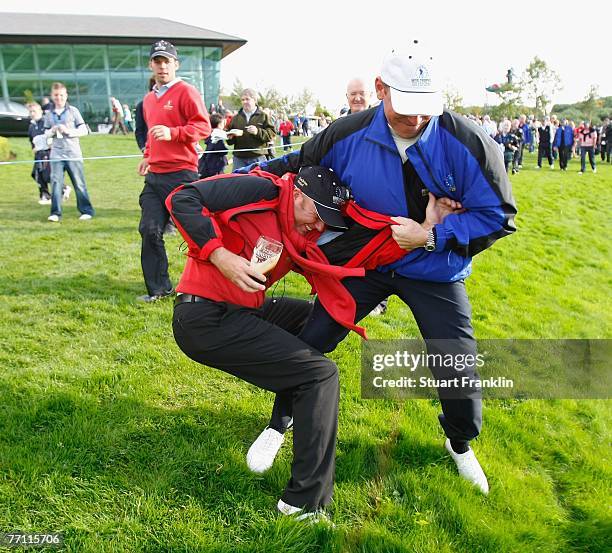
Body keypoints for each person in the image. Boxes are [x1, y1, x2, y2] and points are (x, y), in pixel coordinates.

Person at [247, 43, 517, 495]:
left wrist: (430, 236)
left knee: (459, 370)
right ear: (379, 89)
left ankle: (460, 442)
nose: (417, 121)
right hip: (365, 263)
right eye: (407, 109)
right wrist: (236, 185)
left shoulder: (470, 142)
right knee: (312, 339)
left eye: (425, 110)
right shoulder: (345, 133)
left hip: (434, 270)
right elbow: (295, 168)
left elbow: (498, 216)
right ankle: (280, 422)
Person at [166, 167, 352, 520]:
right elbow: (182, 198)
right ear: (298, 193)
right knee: (321, 375)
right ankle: (301, 504)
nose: (319, 226)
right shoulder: (260, 189)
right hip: (205, 319)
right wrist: (220, 255)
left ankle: (285, 416)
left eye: (328, 221)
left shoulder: (297, 229)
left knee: (320, 320)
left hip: (244, 310)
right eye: (318, 215)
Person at [136, 39, 211, 302]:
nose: (162, 66)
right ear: (151, 65)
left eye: (167, 61)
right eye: (157, 61)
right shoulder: (148, 100)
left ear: (175, 64)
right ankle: (160, 289)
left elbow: (203, 128)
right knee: (149, 229)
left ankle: (212, 286)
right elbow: (151, 135)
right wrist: (147, 156)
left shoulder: (186, 92)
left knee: (197, 233)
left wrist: (174, 133)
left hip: (182, 174)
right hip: (155, 176)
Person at [43, 82, 95, 222]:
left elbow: (84, 130)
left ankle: (86, 210)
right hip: (56, 154)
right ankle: (55, 213)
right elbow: (45, 133)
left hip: (73, 153)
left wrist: (69, 131)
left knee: (79, 183)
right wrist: (52, 131)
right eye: (56, 95)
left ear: (66, 96)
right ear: (52, 96)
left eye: (61, 95)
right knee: (55, 183)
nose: (59, 98)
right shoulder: (48, 114)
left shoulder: (73, 111)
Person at [226, 88, 275, 170]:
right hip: (239, 158)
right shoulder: (235, 118)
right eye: (242, 100)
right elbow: (230, 140)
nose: (244, 102)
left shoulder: (263, 116)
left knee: (258, 182)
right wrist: (230, 137)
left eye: (247, 99)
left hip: (258, 157)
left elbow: (271, 134)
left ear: (255, 100)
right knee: (238, 182)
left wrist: (257, 132)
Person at [26, 102, 52, 204]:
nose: (32, 113)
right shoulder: (32, 126)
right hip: (38, 154)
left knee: (47, 175)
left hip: (47, 152)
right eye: (30, 111)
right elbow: (31, 139)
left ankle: (63, 188)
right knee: (36, 174)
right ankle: (45, 196)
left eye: (34, 111)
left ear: (40, 111)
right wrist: (33, 148)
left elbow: (51, 135)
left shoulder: (45, 122)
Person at [198, 113, 228, 178]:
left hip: (210, 163)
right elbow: (223, 151)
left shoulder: (211, 134)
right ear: (219, 125)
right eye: (223, 124)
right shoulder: (217, 135)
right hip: (215, 166)